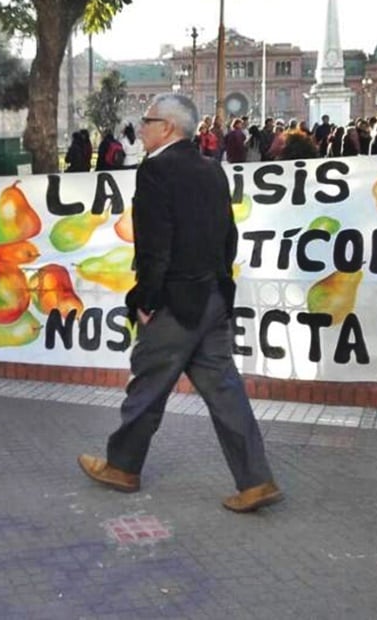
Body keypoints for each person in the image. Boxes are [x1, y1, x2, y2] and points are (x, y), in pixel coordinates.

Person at [77, 93, 281, 513]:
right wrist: (219, 285)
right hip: (214, 298)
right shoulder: (212, 170)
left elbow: (155, 245)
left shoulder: (156, 170)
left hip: (175, 302)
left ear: (167, 127)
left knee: (148, 386)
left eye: (147, 121)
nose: (141, 128)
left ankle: (122, 466)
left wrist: (145, 298)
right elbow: (228, 238)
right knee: (225, 390)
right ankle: (256, 480)